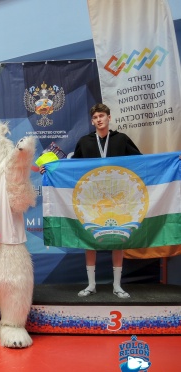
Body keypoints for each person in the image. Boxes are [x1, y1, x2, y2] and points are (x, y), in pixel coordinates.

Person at [73, 103, 141, 298]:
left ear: (109, 118)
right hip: (92, 200)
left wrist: (170, 161)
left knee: (118, 240)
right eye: (95, 117)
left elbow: (141, 162)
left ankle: (117, 285)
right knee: (90, 240)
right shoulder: (84, 142)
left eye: (102, 116)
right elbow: (71, 167)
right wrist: (50, 169)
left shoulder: (121, 139)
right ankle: (91, 284)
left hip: (118, 199)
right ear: (92, 121)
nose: (99, 120)